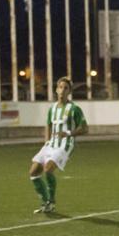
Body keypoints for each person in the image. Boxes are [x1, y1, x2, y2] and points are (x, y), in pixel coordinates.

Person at [29, 77, 88, 214]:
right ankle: (45, 202)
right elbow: (49, 125)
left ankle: (51, 202)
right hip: (51, 145)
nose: (62, 90)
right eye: (60, 87)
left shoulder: (74, 109)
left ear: (69, 92)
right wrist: (46, 141)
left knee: (48, 168)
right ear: (56, 90)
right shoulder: (53, 108)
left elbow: (85, 129)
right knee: (33, 172)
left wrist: (68, 133)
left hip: (65, 145)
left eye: (65, 88)